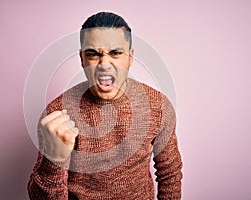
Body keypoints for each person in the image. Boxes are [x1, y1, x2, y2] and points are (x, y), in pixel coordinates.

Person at [28, 12, 183, 199]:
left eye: (115, 53)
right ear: (82, 59)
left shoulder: (158, 107)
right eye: (93, 54)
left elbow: (170, 174)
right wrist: (53, 160)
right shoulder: (57, 116)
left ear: (130, 57)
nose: (104, 64)